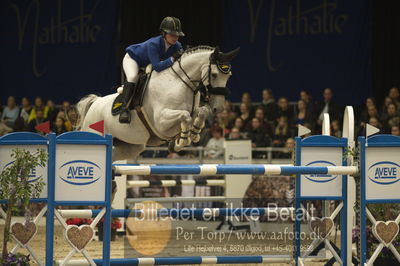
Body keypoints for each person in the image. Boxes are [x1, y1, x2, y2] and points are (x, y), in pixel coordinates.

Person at [119, 16, 184, 123]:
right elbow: (158, 67)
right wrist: (173, 58)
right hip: (133, 59)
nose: (175, 37)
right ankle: (124, 109)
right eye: (172, 34)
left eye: (177, 35)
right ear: (164, 33)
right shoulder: (153, 44)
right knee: (132, 77)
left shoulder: (177, 46)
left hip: (148, 64)